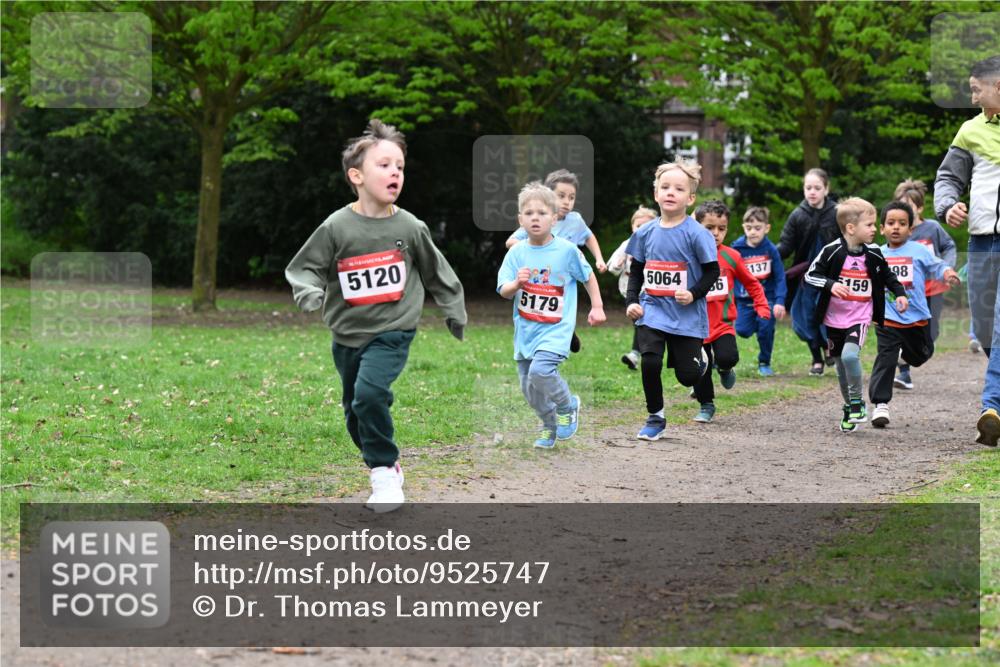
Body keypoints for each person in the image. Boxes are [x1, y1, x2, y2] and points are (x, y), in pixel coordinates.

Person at [285, 119, 467, 512]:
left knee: (369, 396)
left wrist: (454, 311)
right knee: (355, 411)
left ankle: (383, 473)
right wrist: (310, 291)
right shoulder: (336, 226)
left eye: (400, 167)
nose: (395, 173)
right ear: (357, 176)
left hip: (393, 328)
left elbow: (438, 272)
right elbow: (305, 267)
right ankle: (386, 464)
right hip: (347, 333)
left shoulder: (410, 227)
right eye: (384, 165)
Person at [497, 182, 606, 448]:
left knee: (541, 370)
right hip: (526, 330)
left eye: (542, 213)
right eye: (529, 213)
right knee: (529, 388)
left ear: (555, 218)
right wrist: (516, 285)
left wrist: (597, 306)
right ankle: (549, 425)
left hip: (556, 329)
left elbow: (588, 276)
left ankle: (568, 405)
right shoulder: (516, 252)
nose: (536, 218)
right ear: (520, 219)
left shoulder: (567, 250)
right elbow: (503, 290)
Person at [624, 159, 719, 440]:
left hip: (686, 313)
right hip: (652, 309)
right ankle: (655, 416)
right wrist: (632, 300)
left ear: (690, 198)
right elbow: (637, 269)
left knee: (687, 377)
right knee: (650, 362)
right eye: (665, 187)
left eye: (678, 188)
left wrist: (693, 293)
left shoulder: (697, 234)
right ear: (656, 194)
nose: (670, 192)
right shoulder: (644, 232)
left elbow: (712, 270)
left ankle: (700, 360)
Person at [935, 55, 1000, 447]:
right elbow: (947, 177)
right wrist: (947, 205)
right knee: (983, 325)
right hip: (980, 242)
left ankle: (991, 407)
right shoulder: (970, 131)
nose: (972, 95)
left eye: (977, 88)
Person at [804, 198, 908, 433]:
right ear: (851, 228)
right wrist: (830, 285)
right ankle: (850, 406)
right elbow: (810, 276)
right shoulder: (831, 251)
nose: (874, 229)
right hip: (833, 319)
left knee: (850, 357)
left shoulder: (874, 252)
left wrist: (899, 294)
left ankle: (858, 402)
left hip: (860, 317)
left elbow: (888, 276)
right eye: (870, 225)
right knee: (840, 367)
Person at [869, 201, 960, 428]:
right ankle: (880, 404)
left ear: (911, 229)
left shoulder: (918, 250)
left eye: (902, 224)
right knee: (885, 357)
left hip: (916, 316)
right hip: (888, 317)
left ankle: (904, 355)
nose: (896, 228)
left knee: (922, 355)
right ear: (882, 229)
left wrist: (947, 272)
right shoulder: (877, 254)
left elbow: (937, 265)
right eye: (891, 223)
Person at [506, 169, 607, 354]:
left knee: (563, 303)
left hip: (565, 273)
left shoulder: (575, 220)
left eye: (571, 197)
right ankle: (560, 334)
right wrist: (531, 250)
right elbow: (511, 241)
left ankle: (566, 331)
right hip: (542, 277)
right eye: (561, 196)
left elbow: (589, 237)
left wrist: (599, 259)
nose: (567, 202)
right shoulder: (536, 221)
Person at [691, 201, 772, 423]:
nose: (716, 233)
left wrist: (762, 305)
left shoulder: (731, 256)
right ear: (696, 226)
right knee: (700, 367)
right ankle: (706, 405)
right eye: (709, 228)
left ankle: (725, 369)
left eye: (722, 228)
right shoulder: (688, 255)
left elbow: (752, 283)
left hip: (722, 324)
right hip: (694, 326)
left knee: (727, 357)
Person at [891, 179, 958, 389]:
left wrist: (947, 269)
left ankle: (907, 358)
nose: (903, 214)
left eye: (908, 207)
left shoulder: (932, 228)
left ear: (919, 208)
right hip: (907, 291)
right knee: (904, 328)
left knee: (931, 333)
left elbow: (949, 246)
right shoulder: (896, 232)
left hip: (933, 289)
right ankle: (904, 373)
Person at [778, 168, 839, 375]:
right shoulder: (797, 215)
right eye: (808, 188)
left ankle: (829, 348)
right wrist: (767, 255)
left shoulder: (837, 212)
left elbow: (849, 241)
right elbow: (785, 246)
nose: (812, 192)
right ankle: (816, 359)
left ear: (826, 189)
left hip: (831, 276)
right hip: (806, 277)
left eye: (817, 188)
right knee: (806, 316)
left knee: (828, 314)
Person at [732, 206, 787, 376]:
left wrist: (779, 301)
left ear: (766, 228)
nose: (753, 232)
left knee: (765, 329)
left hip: (766, 299)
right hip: (744, 300)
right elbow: (730, 274)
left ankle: (764, 361)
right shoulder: (737, 249)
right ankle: (759, 323)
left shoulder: (770, 250)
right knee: (742, 330)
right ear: (743, 227)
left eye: (757, 228)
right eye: (749, 228)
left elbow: (779, 277)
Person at [608, 206, 658, 370]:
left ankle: (636, 354)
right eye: (638, 226)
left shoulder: (657, 244)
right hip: (629, 291)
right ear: (632, 227)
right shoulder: (627, 245)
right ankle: (640, 353)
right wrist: (618, 264)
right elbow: (612, 268)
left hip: (650, 291)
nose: (641, 229)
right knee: (639, 323)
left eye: (646, 226)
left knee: (642, 322)